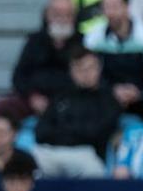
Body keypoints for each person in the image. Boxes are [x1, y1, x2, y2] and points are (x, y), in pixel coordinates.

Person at [32, 48, 122, 178]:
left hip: (86, 152)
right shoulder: (61, 96)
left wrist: (63, 132)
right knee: (27, 165)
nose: (86, 73)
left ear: (99, 69)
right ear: (72, 71)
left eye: (90, 68)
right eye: (80, 68)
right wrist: (71, 133)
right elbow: (40, 131)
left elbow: (96, 133)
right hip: (51, 152)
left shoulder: (109, 99)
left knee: (95, 171)